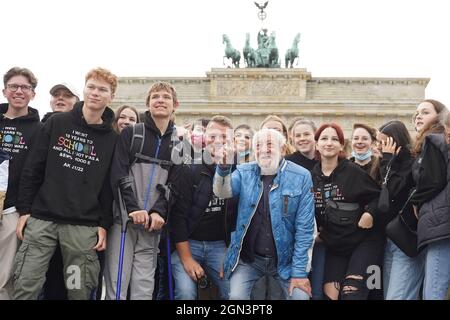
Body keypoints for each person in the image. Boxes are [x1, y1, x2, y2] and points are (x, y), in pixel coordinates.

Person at [14, 67, 119, 300]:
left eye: (102, 89)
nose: (95, 93)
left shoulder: (112, 139)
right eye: (91, 87)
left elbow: (107, 187)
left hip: (82, 228)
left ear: (111, 97)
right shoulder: (57, 123)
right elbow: (33, 169)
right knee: (26, 286)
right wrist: (24, 210)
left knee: (78, 290)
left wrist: (103, 224)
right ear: (84, 90)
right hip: (42, 221)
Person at [213, 128, 315, 300]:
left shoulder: (302, 176)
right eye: (258, 145)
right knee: (236, 298)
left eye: (269, 144)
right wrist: (223, 169)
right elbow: (222, 192)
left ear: (282, 150)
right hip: (249, 261)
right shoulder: (245, 171)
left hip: (286, 262)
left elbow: (305, 229)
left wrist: (299, 273)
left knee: (300, 297)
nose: (263, 149)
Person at [104, 81, 178, 300]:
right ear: (148, 103)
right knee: (117, 284)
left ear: (175, 105)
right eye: (155, 96)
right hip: (125, 222)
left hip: (152, 226)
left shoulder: (179, 144)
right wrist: (133, 208)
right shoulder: (132, 133)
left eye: (166, 97)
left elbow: (175, 184)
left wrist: (158, 212)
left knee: (144, 288)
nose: (160, 100)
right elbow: (119, 172)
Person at [311, 123, 384, 300]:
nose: (329, 143)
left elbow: (378, 197)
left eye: (335, 139)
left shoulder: (353, 172)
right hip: (335, 244)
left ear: (342, 145)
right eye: (324, 139)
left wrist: (370, 214)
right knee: (330, 295)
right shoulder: (310, 177)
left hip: (363, 241)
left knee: (352, 293)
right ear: (317, 144)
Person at [170, 115, 237, 300]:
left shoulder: (240, 170)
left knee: (234, 291)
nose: (218, 141)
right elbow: (178, 217)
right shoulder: (189, 169)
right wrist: (186, 258)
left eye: (224, 137)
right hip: (189, 243)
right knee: (185, 292)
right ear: (204, 138)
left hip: (220, 246)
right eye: (213, 136)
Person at [0, 67, 42, 300]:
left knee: (5, 277)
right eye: (13, 86)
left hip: (12, 210)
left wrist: (26, 210)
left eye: (25, 87)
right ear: (4, 91)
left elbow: (36, 173)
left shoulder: (39, 129)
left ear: (33, 94)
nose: (19, 91)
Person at [40, 83, 80, 300]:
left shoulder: (83, 131)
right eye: (57, 95)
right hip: (39, 216)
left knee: (64, 280)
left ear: (77, 101)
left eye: (67, 95)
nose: (61, 98)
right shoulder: (40, 126)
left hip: (72, 220)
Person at [377, 120, 423, 300]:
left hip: (405, 238)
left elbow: (394, 192)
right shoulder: (388, 162)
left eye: (383, 142)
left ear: (395, 141)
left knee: (398, 295)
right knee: (389, 292)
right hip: (389, 238)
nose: (380, 147)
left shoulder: (412, 163)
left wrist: (388, 161)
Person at [411, 100, 450, 300]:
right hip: (439, 223)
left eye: (424, 112)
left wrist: (416, 201)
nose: (418, 116)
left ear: (440, 116)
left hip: (440, 225)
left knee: (433, 291)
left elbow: (432, 180)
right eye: (416, 113)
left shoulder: (435, 140)